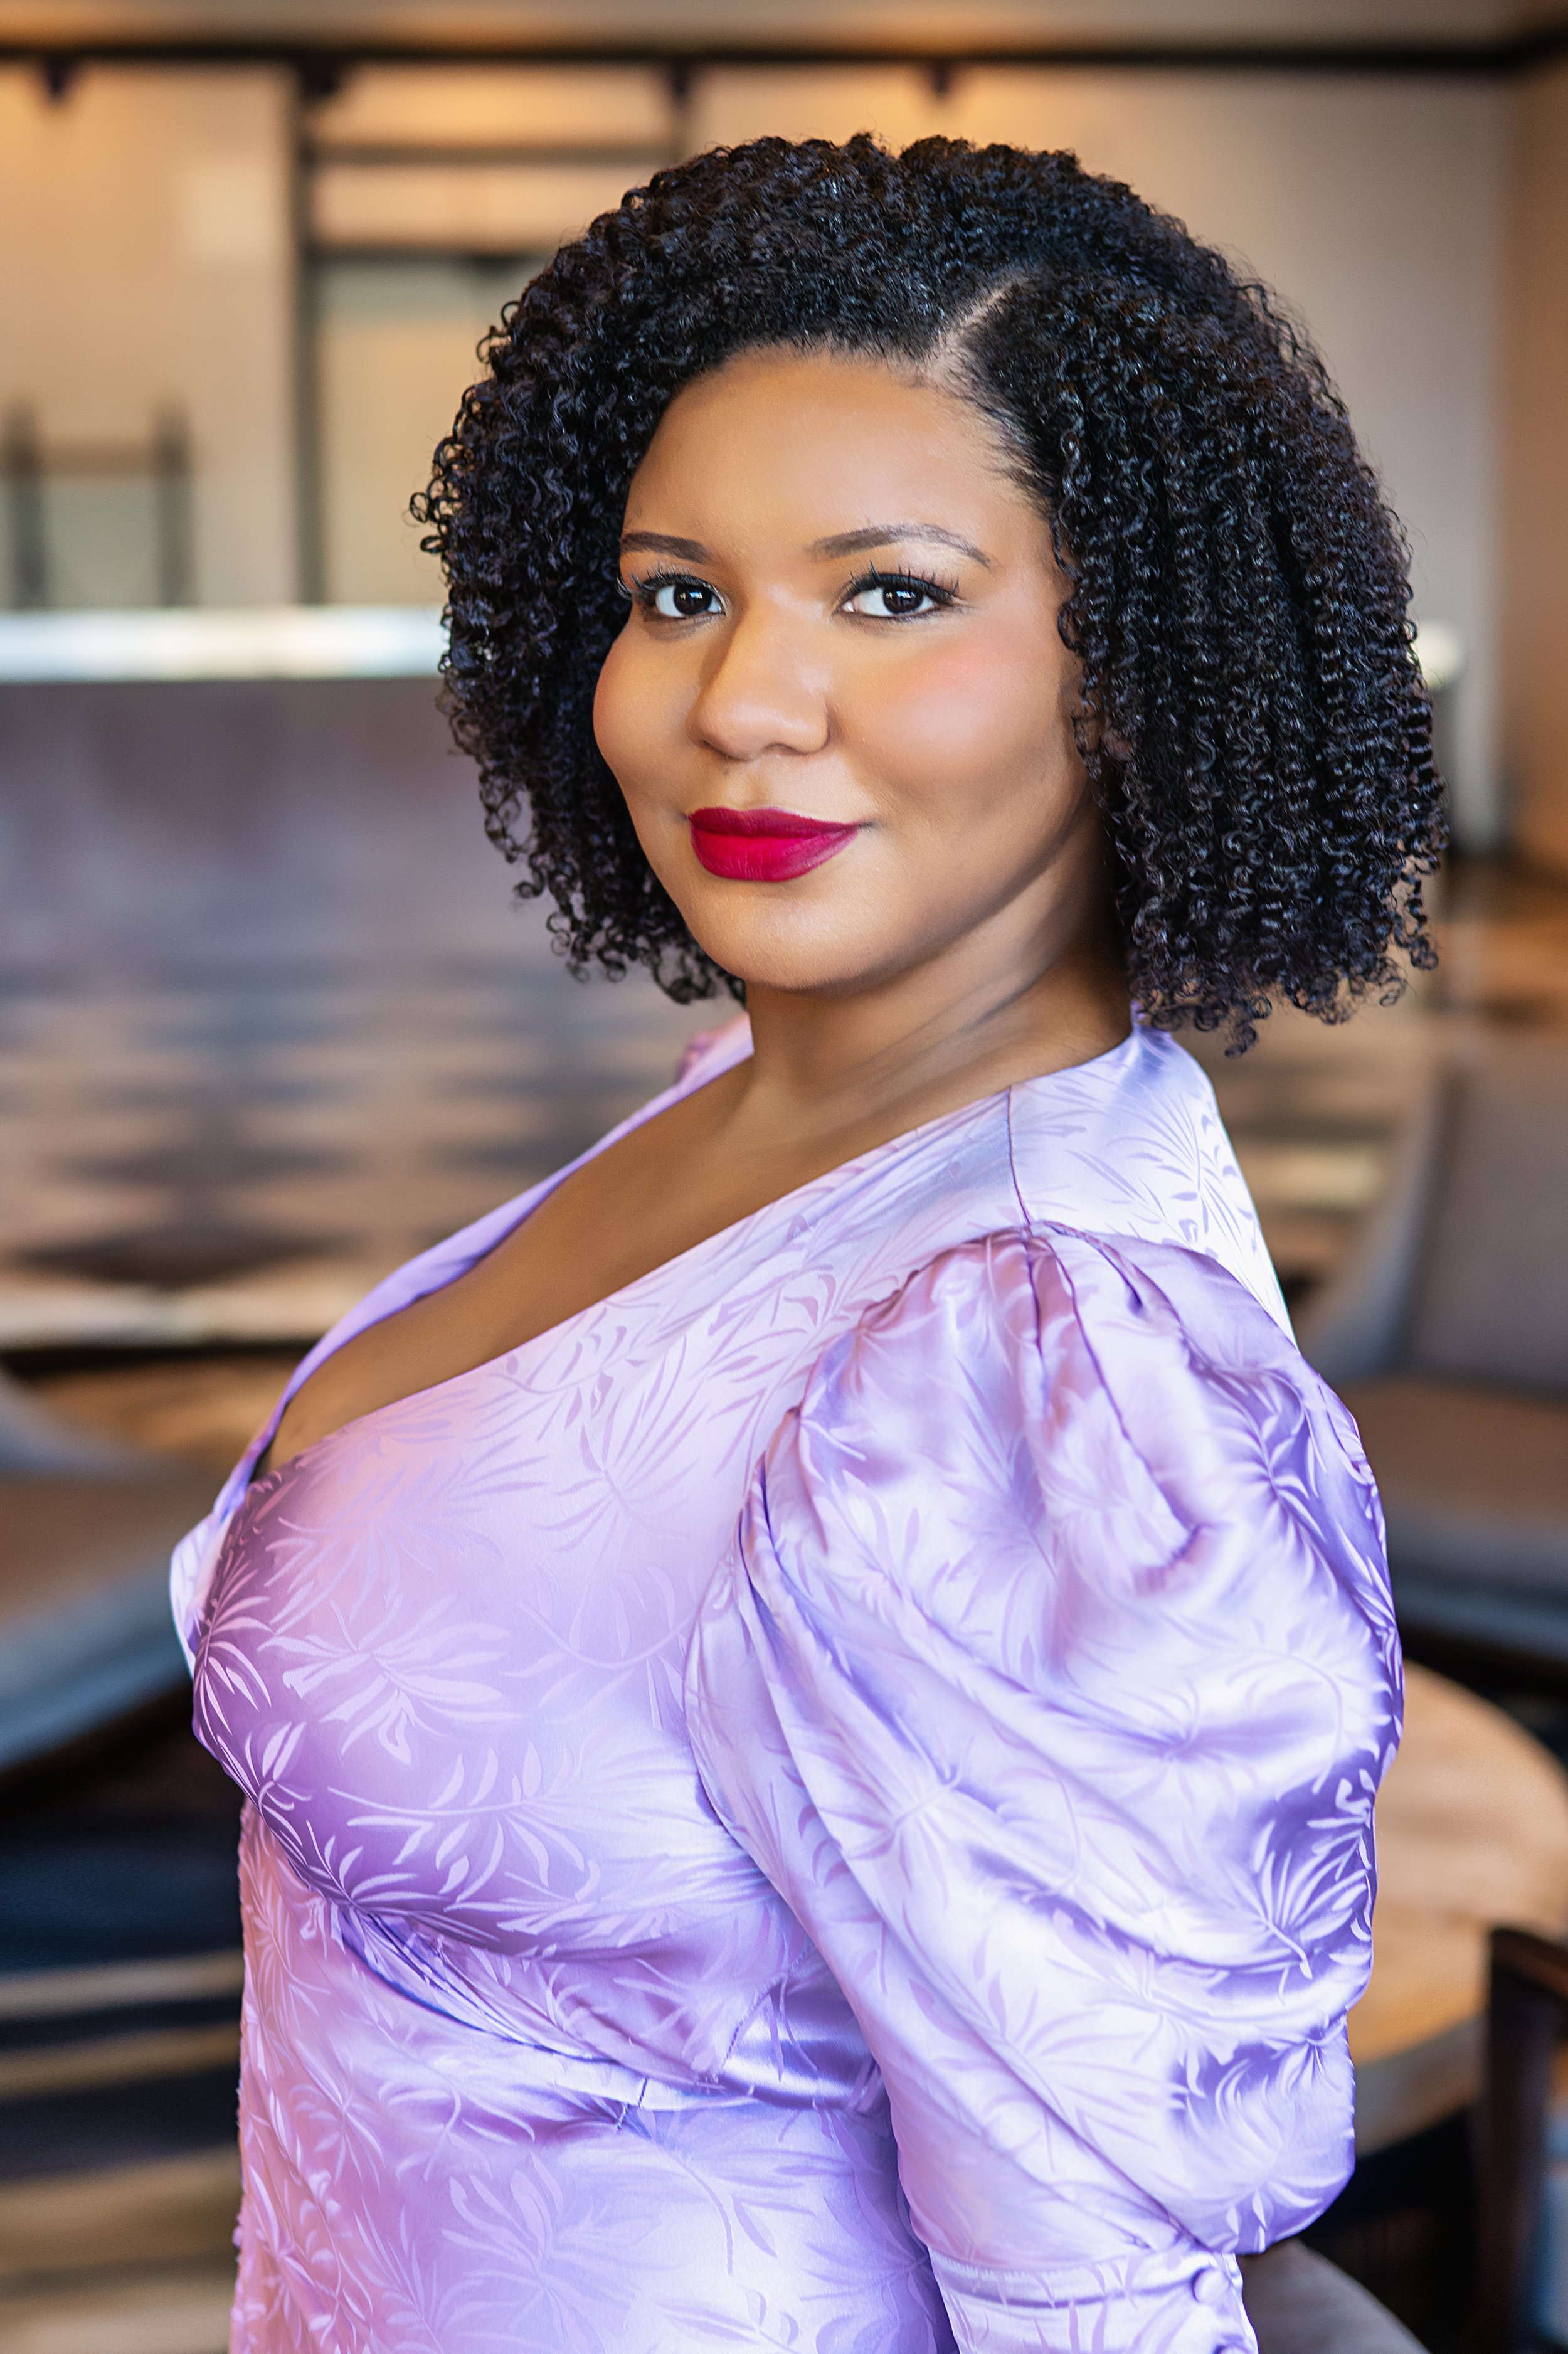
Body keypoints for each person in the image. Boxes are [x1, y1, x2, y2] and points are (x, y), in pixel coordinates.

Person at [172, 134, 1435, 2353]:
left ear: (1132, 668)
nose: (740, 698)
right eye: (677, 591)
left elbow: (1101, 2302)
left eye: (890, 592)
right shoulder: (766, 1109)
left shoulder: (1043, 1366)